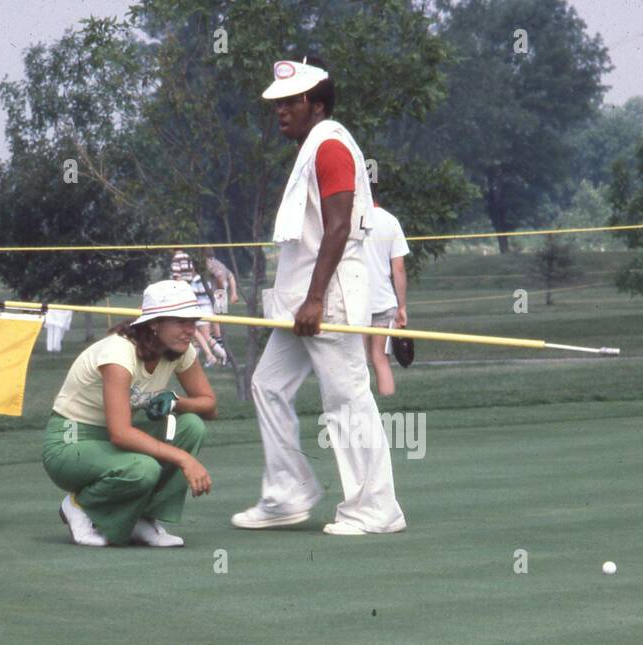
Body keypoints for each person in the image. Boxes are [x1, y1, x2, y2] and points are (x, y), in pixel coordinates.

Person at [232, 56, 405, 536]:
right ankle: (288, 494)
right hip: (300, 301)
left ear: (317, 104)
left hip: (326, 301)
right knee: (267, 386)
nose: (281, 111)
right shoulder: (313, 146)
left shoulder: (329, 146)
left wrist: (314, 300)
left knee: (347, 400)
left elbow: (340, 226)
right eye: (277, 103)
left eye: (291, 101)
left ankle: (376, 509)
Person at [42, 280, 216, 547]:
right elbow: (121, 434)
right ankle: (79, 505)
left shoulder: (180, 350)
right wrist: (184, 459)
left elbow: (209, 405)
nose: (190, 330)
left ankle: (143, 518)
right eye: (181, 321)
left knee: (192, 426)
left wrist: (176, 402)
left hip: (110, 441)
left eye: (193, 321)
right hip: (69, 442)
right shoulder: (118, 352)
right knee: (143, 469)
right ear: (155, 324)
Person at [362, 192, 410, 394]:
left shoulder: (348, 218)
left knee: (358, 363)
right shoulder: (391, 221)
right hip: (384, 301)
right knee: (381, 360)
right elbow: (398, 268)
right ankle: (389, 406)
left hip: (355, 302)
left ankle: (361, 411)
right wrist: (402, 306)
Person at [171, 248, 227, 366]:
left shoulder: (197, 280)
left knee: (206, 335)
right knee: (199, 337)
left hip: (206, 306)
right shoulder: (206, 275)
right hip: (210, 304)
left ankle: (221, 354)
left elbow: (221, 281)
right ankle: (194, 362)